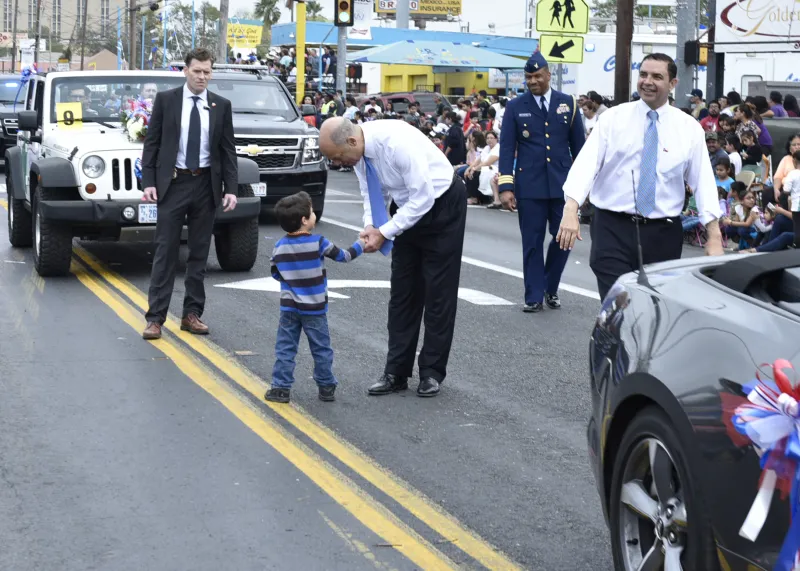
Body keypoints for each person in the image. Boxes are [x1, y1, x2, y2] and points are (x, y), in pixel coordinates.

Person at [318, 117, 468, 398]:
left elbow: (423, 198)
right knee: (402, 292)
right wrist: (370, 226)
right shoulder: (359, 151)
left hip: (442, 204)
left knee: (438, 292)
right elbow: (370, 191)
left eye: (338, 157)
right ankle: (396, 371)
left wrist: (386, 232)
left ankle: (432, 372)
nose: (338, 163)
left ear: (351, 141)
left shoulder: (396, 144)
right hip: (407, 208)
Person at [557, 53, 723, 301]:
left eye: (657, 76)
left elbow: (703, 183)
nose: (647, 81)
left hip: (663, 233)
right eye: (643, 74)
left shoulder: (688, 129)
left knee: (655, 310)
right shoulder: (613, 119)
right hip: (613, 228)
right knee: (619, 306)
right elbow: (585, 166)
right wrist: (571, 209)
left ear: (673, 84)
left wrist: (714, 235)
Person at [140, 48, 239, 340]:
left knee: (198, 254)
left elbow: (228, 150)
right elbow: (152, 144)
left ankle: (192, 314)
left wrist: (231, 189)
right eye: (197, 71)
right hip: (173, 184)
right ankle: (155, 318)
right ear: (185, 71)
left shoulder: (221, 105)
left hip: (206, 185)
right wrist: (149, 181)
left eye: (207, 72)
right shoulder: (166, 101)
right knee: (165, 251)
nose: (202, 77)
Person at [497, 51, 585, 312]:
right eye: (528, 77)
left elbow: (580, 150)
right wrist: (506, 186)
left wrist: (583, 187)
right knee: (532, 243)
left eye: (537, 76)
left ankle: (550, 286)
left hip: (563, 186)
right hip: (530, 186)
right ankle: (534, 295)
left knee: (564, 240)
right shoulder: (515, 107)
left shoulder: (568, 103)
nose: (532, 81)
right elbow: (506, 149)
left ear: (548, 74)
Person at [265, 192, 364, 404]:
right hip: (315, 309)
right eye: (311, 213)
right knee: (321, 348)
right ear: (304, 220)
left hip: (289, 308)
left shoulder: (279, 246)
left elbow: (275, 272)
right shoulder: (319, 242)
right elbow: (343, 256)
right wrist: (360, 245)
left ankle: (280, 388)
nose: (313, 216)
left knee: (285, 347)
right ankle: (326, 385)